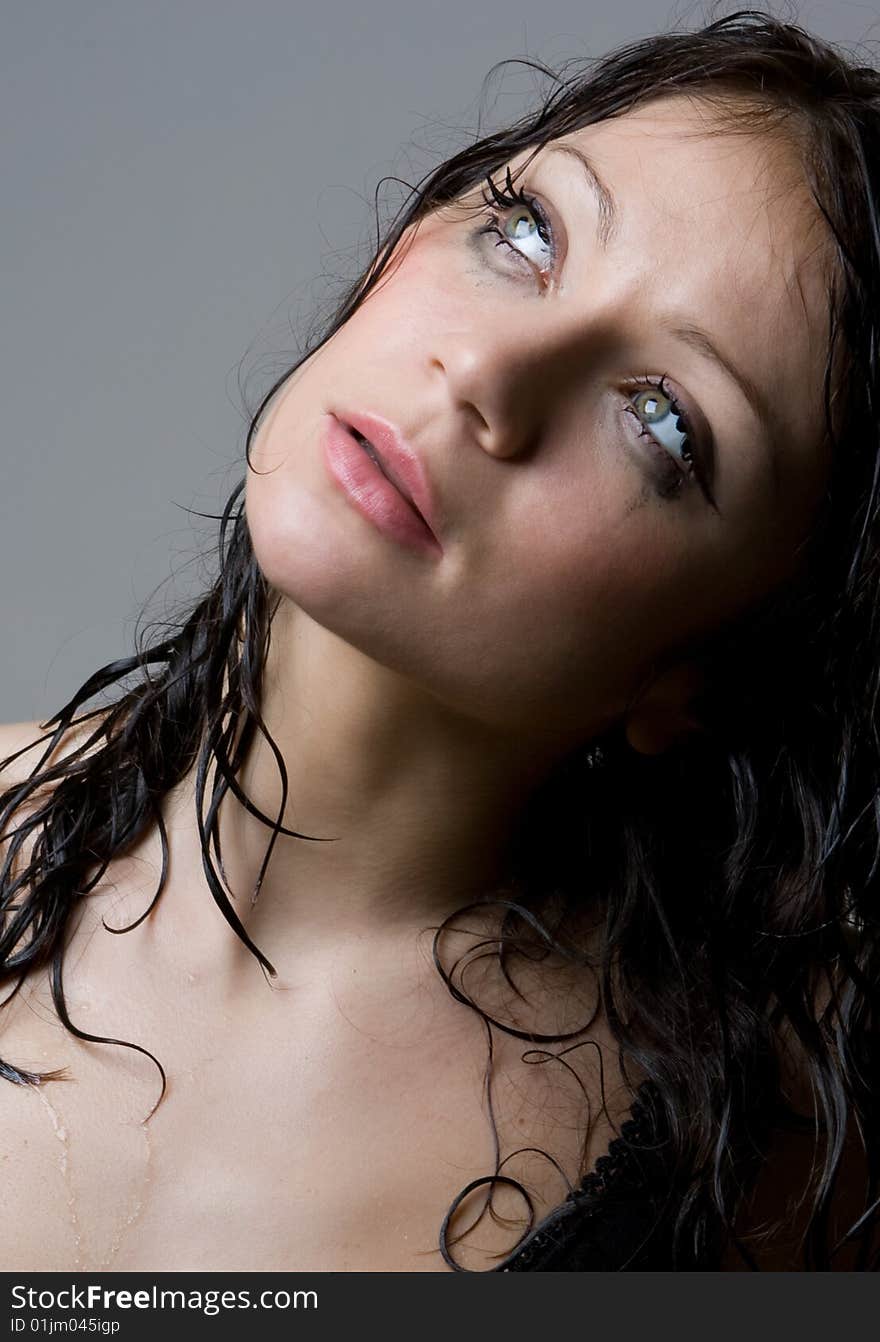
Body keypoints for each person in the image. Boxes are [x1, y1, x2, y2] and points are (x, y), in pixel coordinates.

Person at [1, 8, 878, 1273]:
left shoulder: (755, 1168)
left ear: (708, 670)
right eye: (525, 233)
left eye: (664, 424)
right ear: (409, 237)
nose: (488, 371)